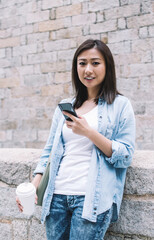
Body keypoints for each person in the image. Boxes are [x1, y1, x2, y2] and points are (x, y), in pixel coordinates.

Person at [16, 39, 136, 240]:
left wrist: (89, 132)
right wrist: (33, 186)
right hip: (56, 197)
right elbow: (49, 152)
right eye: (82, 63)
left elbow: (125, 156)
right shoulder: (65, 105)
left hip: (91, 200)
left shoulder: (120, 105)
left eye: (95, 63)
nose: (88, 69)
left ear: (107, 66)